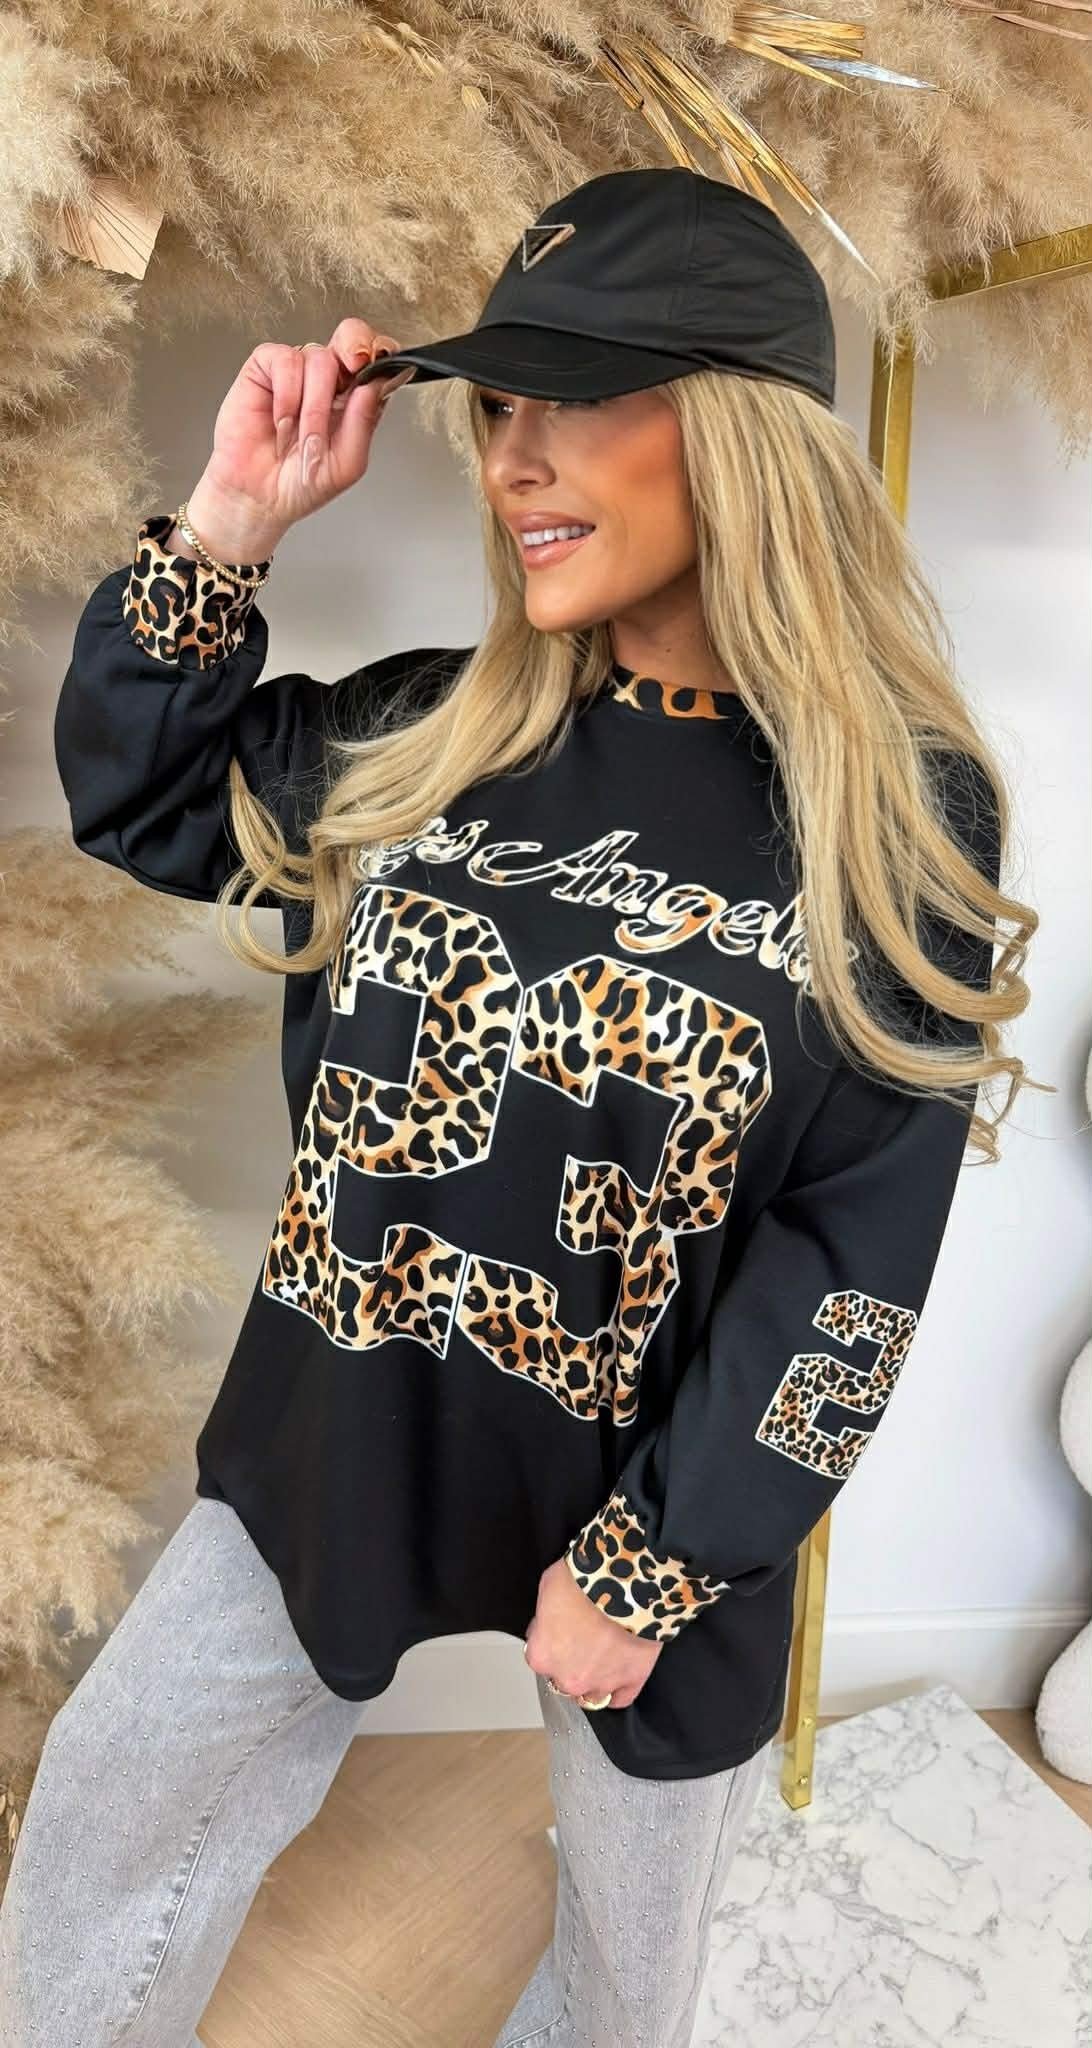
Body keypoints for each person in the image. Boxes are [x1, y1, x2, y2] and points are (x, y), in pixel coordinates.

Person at [0, 166, 1028, 2048]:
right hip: (341, 1429)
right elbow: (140, 796)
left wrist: (655, 1564)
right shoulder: (429, 733)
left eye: (576, 400)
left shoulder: (896, 815)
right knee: (108, 1813)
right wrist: (231, 521)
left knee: (628, 1982)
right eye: (496, 411)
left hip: (658, 1507)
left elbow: (852, 1252)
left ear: (738, 434)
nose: (512, 463)